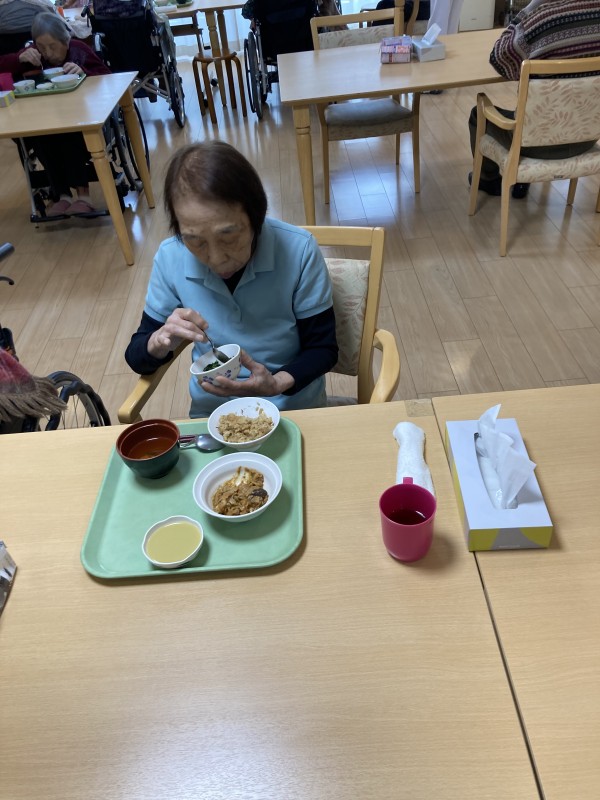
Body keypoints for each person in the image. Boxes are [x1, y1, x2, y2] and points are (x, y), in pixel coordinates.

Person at [125, 142, 339, 419]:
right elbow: (136, 357)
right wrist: (159, 340)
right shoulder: (171, 257)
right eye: (195, 240)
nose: (216, 259)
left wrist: (276, 383)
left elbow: (323, 349)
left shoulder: (298, 251)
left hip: (294, 409)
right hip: (213, 415)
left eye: (228, 237)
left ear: (256, 216)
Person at [469, 0, 600, 199]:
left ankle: (489, 180)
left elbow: (500, 59)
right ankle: (523, 181)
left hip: (533, 144)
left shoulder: (543, 19)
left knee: (478, 115)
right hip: (587, 138)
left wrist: (529, 9)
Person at [10, 13, 111, 215]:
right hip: (46, 119)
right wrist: (19, 58)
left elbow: (108, 77)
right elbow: (7, 69)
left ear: (65, 40)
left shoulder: (79, 50)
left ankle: (83, 196)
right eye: (41, 47)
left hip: (81, 119)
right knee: (39, 136)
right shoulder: (33, 55)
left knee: (68, 133)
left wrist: (84, 71)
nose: (47, 53)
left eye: (52, 46)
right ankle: (62, 195)